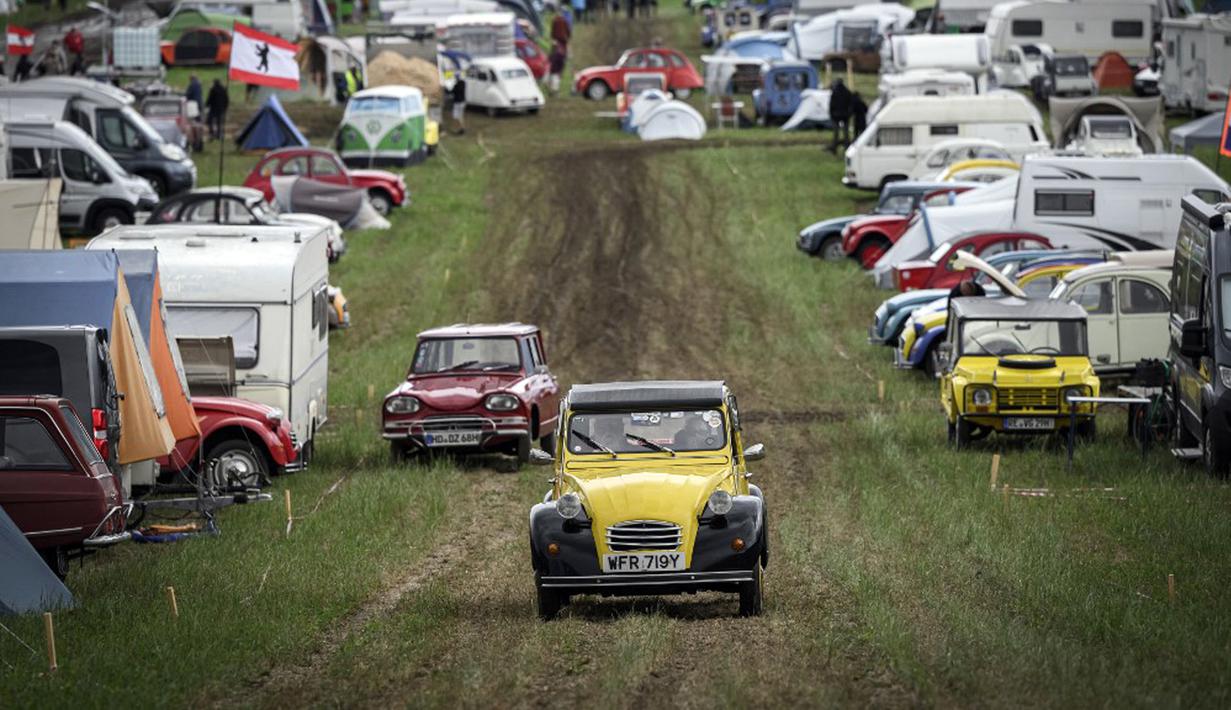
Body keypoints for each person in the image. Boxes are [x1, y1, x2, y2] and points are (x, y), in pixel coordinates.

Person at [827, 77, 852, 154]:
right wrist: (849, 114)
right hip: (845, 116)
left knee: (836, 133)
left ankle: (834, 148)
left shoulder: (834, 93)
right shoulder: (847, 92)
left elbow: (831, 105)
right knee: (846, 133)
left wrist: (831, 114)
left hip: (836, 116)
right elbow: (850, 105)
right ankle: (847, 148)